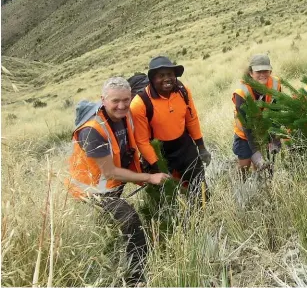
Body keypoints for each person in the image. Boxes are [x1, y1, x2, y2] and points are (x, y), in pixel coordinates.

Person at [64, 77, 170, 286]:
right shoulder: (92, 130)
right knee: (129, 219)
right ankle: (137, 277)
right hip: (91, 192)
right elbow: (110, 172)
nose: (121, 105)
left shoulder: (124, 116)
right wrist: (149, 177)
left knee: (108, 230)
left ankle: (114, 257)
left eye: (125, 100)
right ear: (103, 100)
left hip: (111, 187)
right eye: (115, 101)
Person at [130, 56, 211, 202]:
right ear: (152, 79)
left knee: (200, 186)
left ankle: (204, 212)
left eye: (170, 74)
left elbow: (192, 119)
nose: (167, 79)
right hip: (159, 152)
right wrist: (158, 166)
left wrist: (201, 147)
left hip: (185, 145)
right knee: (169, 198)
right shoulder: (139, 103)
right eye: (161, 75)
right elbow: (142, 141)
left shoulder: (183, 91)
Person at [232, 54, 282, 180]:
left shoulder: (275, 83)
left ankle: (260, 185)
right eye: (258, 71)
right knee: (245, 164)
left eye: (265, 70)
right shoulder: (242, 92)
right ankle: (237, 185)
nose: (262, 74)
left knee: (263, 166)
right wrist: (255, 151)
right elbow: (246, 126)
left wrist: (274, 137)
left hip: (264, 130)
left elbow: (276, 111)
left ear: (270, 70)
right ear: (250, 72)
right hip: (245, 133)